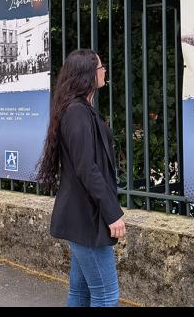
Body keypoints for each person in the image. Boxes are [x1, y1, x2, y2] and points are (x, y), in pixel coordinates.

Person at [36, 48, 124, 307]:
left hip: (82, 217)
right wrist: (113, 213)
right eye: (101, 67)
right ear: (88, 75)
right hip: (87, 219)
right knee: (107, 296)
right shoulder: (77, 113)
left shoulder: (80, 109)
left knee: (81, 293)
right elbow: (87, 169)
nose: (105, 70)